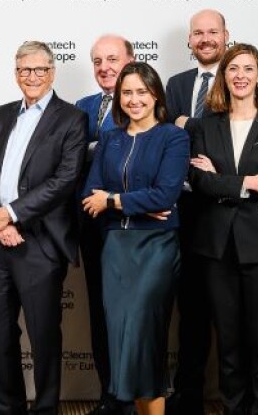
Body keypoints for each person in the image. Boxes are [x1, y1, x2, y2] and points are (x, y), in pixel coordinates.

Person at [0, 41, 86, 415]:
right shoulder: (1, 115)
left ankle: (47, 409)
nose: (31, 77)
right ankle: (7, 408)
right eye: (24, 70)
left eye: (39, 70)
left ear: (52, 72)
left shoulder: (70, 118)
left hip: (39, 244)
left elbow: (64, 180)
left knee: (44, 338)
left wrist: (12, 214)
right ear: (15, 72)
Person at [189, 43, 258, 414]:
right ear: (223, 76)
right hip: (215, 248)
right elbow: (200, 182)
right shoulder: (205, 125)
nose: (240, 76)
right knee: (229, 344)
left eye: (249, 69)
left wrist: (225, 180)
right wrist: (248, 182)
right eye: (233, 69)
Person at [82, 62, 189, 415]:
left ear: (155, 94)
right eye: (127, 92)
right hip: (115, 249)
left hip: (156, 247)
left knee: (145, 340)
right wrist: (132, 204)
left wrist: (114, 200)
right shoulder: (110, 138)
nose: (134, 99)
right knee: (121, 344)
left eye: (141, 91)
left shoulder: (173, 136)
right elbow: (89, 196)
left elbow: (165, 195)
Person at [164, 9, 229, 415]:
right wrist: (185, 124)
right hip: (184, 208)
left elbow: (232, 136)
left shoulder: (241, 75)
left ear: (226, 35)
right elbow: (167, 134)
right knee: (189, 310)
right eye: (198, 33)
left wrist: (191, 124)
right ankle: (188, 398)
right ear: (189, 40)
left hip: (226, 208)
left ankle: (233, 399)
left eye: (212, 32)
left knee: (228, 309)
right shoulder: (176, 84)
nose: (205, 38)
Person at [75, 34, 135, 415]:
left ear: (130, 60)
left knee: (130, 313)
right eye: (98, 61)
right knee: (100, 310)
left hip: (132, 225)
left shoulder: (143, 103)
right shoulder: (83, 107)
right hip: (91, 226)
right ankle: (108, 394)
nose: (105, 67)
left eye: (113, 59)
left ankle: (130, 395)